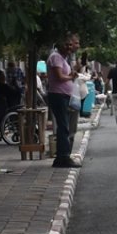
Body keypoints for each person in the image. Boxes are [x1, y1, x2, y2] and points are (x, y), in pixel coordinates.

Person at [46, 34, 83, 168]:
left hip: (64, 95)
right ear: (59, 45)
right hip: (58, 95)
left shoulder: (63, 58)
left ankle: (62, 157)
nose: (69, 47)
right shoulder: (55, 57)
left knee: (65, 126)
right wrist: (71, 76)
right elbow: (60, 76)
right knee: (63, 126)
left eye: (70, 45)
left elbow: (68, 76)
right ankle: (63, 157)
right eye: (66, 45)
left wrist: (75, 71)